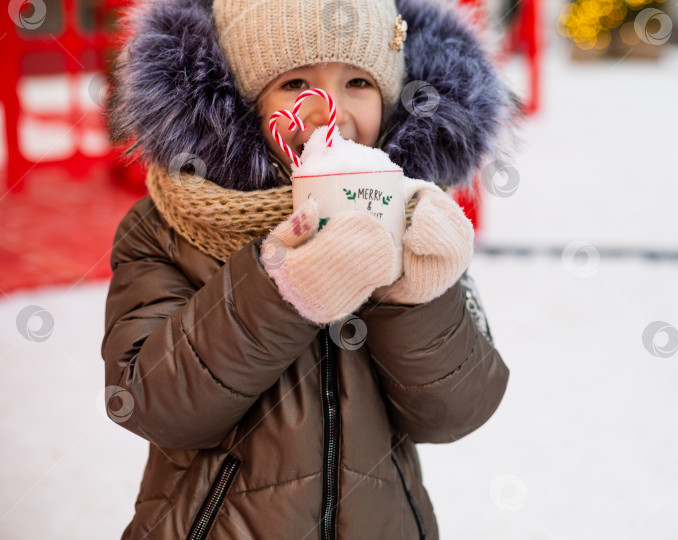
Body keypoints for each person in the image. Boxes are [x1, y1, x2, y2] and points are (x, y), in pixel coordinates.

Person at [102, 0, 516, 537]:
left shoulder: (407, 216)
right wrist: (280, 291)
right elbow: (147, 402)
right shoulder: (168, 226)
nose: (330, 112)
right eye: (296, 82)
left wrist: (419, 294)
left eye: (359, 83)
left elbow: (457, 410)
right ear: (244, 99)